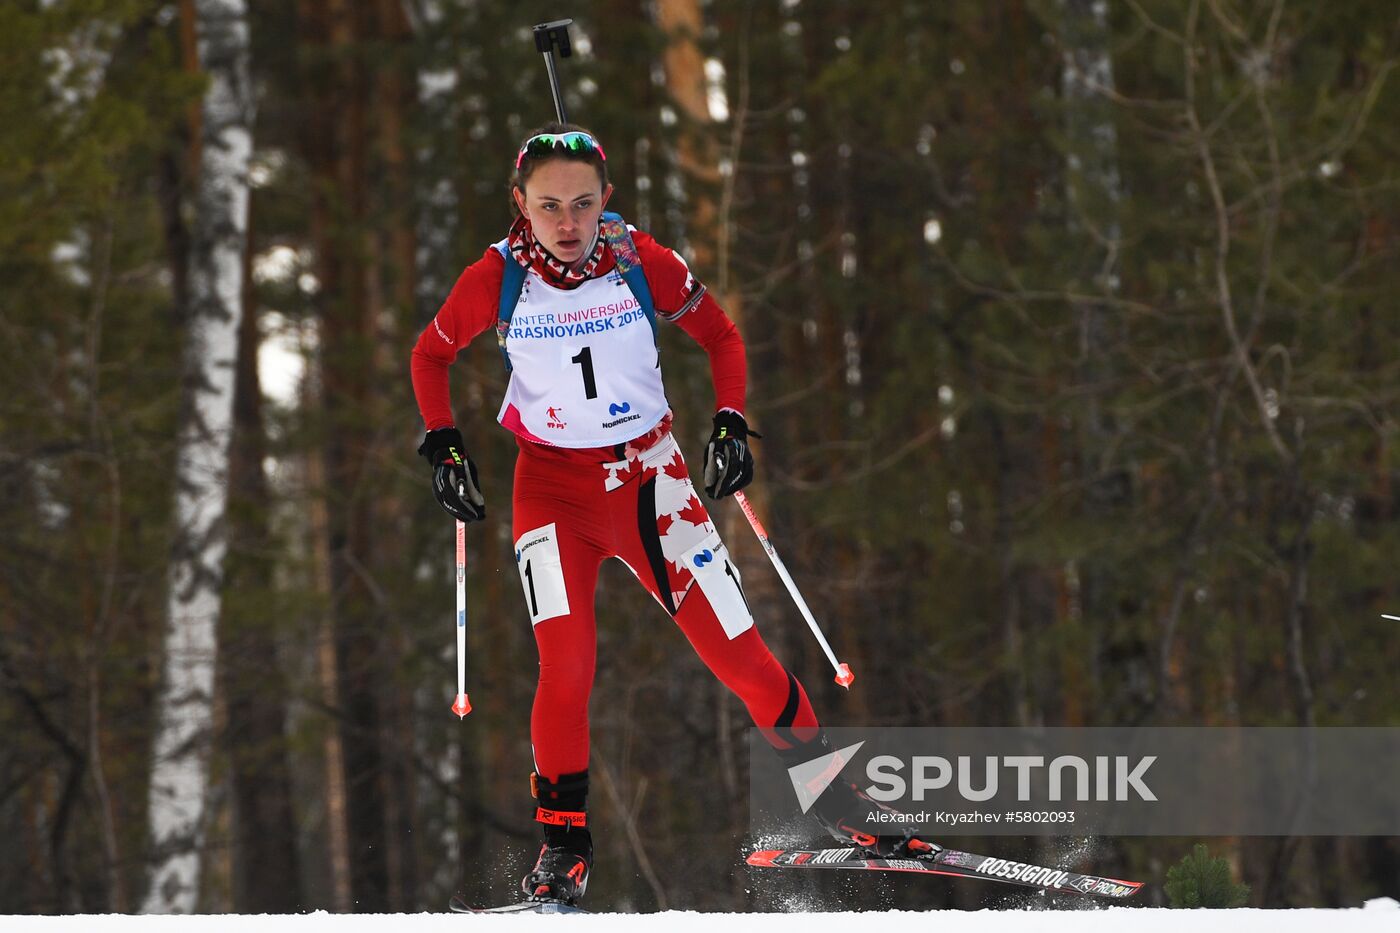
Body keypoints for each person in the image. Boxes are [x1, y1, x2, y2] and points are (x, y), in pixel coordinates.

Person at [410, 123, 937, 905]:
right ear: (519, 204)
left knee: (741, 657)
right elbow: (430, 353)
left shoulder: (638, 259)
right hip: (551, 489)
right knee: (568, 663)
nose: (567, 223)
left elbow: (720, 335)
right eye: (549, 205)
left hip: (651, 481)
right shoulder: (495, 276)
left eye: (583, 204)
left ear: (606, 201)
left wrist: (729, 420)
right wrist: (445, 445)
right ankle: (563, 851)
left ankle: (840, 806)